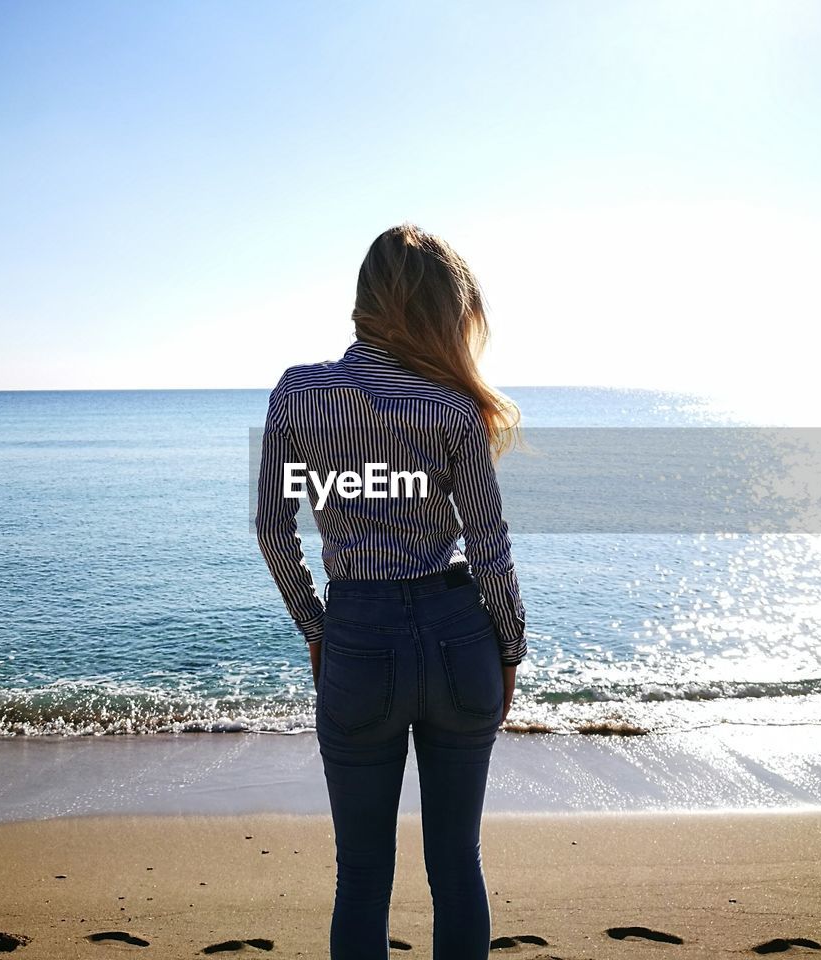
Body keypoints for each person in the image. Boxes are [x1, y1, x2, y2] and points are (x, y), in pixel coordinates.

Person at [255, 222, 526, 960]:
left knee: (364, 876)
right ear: (444, 310)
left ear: (365, 300)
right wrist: (510, 649)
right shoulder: (452, 408)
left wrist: (317, 629)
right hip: (457, 636)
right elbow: (491, 551)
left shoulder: (296, 393)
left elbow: (275, 534)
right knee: (456, 868)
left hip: (359, 639)